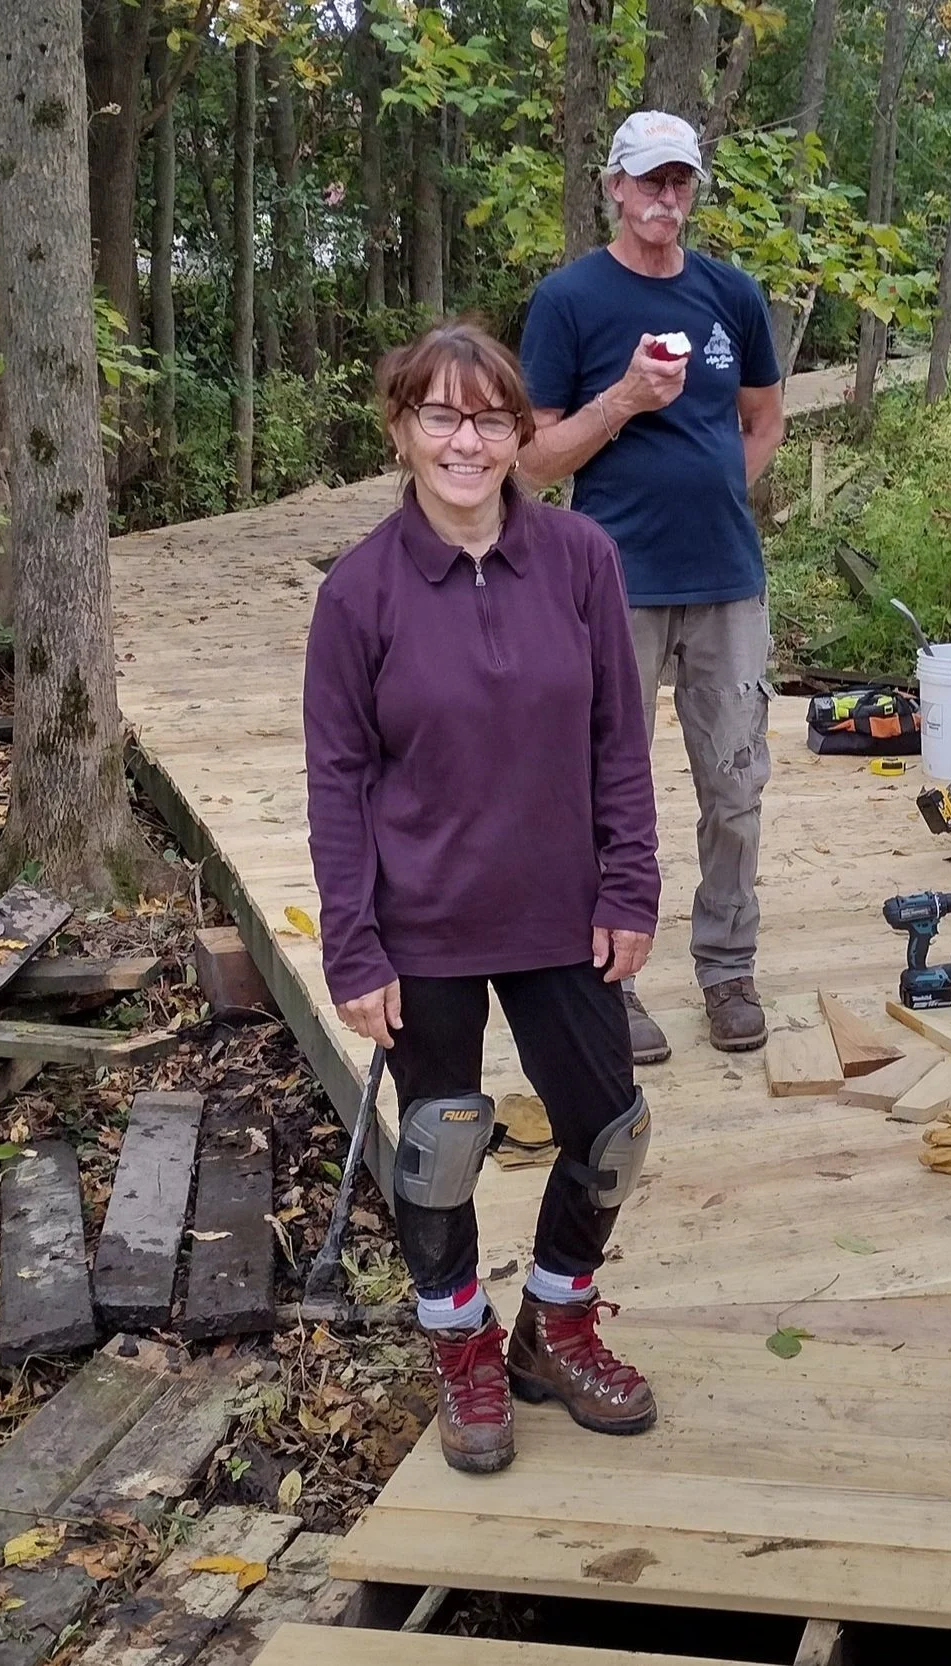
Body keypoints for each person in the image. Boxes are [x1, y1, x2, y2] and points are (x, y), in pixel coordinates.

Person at [305, 321, 662, 1475]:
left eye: (491, 417)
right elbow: (337, 781)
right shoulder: (359, 594)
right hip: (426, 926)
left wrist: (630, 880)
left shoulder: (580, 560)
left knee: (609, 1129)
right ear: (402, 430)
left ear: (520, 431)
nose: (467, 440)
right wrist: (353, 949)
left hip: (564, 909)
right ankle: (459, 1341)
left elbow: (620, 737)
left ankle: (554, 1323)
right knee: (442, 1143)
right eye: (441, 416)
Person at [518, 109, 788, 1065]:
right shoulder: (570, 301)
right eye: (650, 181)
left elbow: (763, 421)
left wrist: (715, 494)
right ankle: (614, 979)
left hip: (727, 582)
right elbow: (536, 460)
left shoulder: (732, 296)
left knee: (735, 782)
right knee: (607, 788)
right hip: (611, 588)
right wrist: (625, 399)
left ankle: (727, 968)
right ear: (615, 186)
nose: (666, 199)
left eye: (681, 183)